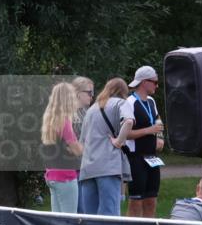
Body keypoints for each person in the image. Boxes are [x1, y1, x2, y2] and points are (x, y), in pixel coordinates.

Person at [78, 78, 134, 216]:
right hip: (108, 167)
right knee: (110, 215)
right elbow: (128, 122)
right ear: (123, 91)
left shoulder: (91, 109)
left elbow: (82, 144)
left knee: (90, 218)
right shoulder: (121, 103)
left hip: (87, 170)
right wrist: (119, 141)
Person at [125, 66, 166, 218]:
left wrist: (160, 136)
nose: (157, 85)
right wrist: (149, 131)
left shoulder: (151, 101)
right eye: (155, 82)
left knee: (151, 200)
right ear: (144, 82)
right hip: (136, 158)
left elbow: (157, 119)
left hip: (152, 157)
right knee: (135, 203)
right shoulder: (129, 103)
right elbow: (125, 134)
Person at [41, 82, 83, 213]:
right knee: (69, 219)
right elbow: (77, 150)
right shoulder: (65, 122)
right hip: (65, 176)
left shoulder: (50, 120)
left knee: (57, 220)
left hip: (52, 175)